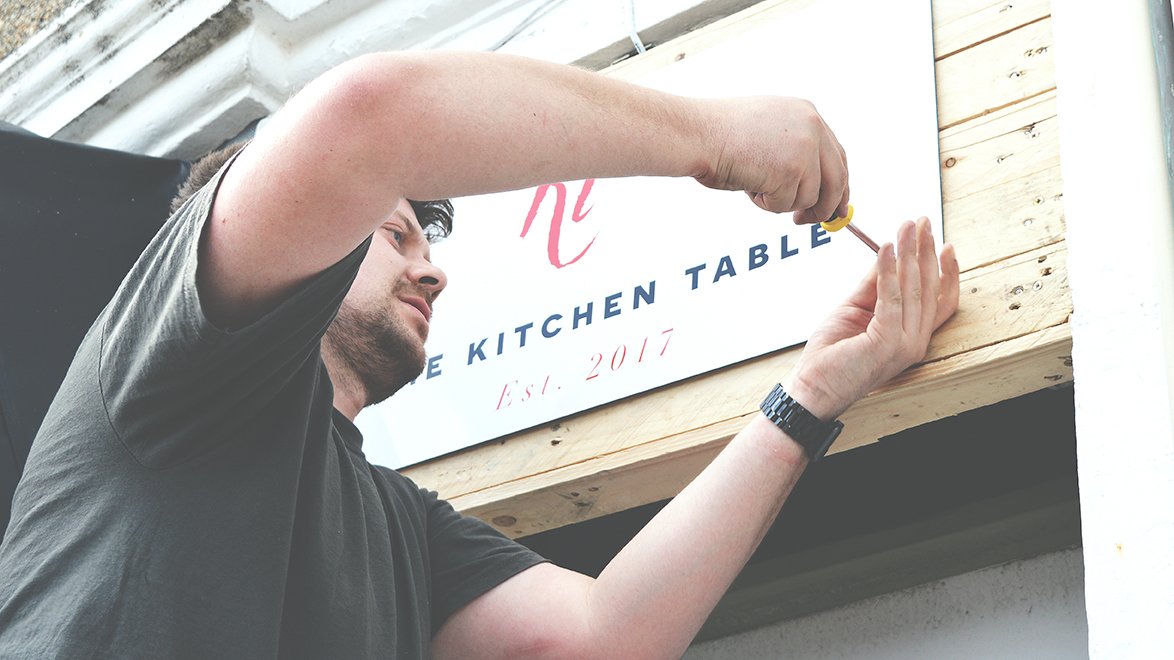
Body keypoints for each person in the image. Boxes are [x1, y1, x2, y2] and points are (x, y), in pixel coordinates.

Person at [0, 51, 958, 658]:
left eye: (430, 244)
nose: (434, 272)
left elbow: (601, 638)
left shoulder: (398, 526)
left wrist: (812, 392)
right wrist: (715, 138)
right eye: (395, 235)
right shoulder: (173, 368)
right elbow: (366, 117)